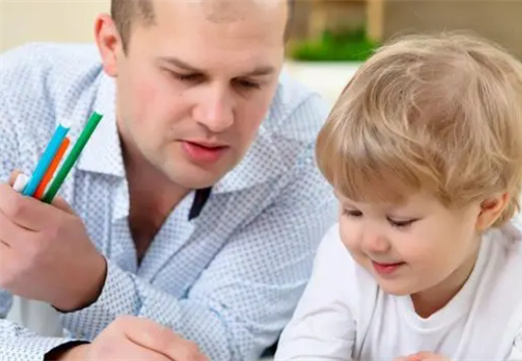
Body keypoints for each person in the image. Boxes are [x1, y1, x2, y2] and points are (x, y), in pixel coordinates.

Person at [0, 0, 337, 359]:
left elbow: (229, 341)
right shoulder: (18, 97)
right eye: (184, 75)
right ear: (111, 45)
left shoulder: (307, 146)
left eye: (250, 82)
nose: (216, 118)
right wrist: (67, 357)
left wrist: (84, 284)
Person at [274, 33, 522, 361]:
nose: (372, 241)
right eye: (352, 211)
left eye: (400, 221)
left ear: (486, 208)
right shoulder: (343, 259)